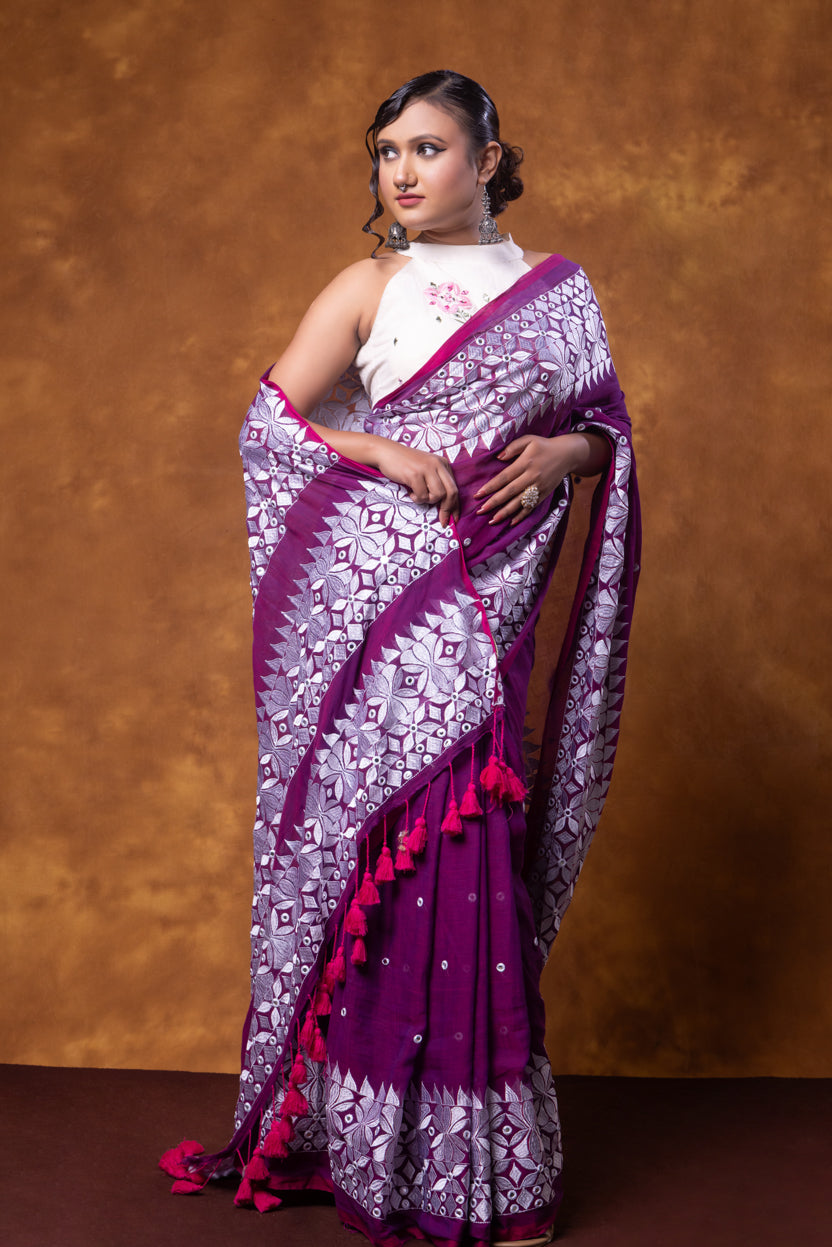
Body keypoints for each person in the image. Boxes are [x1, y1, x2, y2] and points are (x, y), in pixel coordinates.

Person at [160, 70, 640, 1247]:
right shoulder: (368, 286)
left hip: (495, 601)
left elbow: (609, 428)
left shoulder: (556, 292)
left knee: (470, 854)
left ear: (488, 157)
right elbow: (269, 428)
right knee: (399, 857)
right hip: (384, 623)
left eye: (428, 148)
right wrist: (373, 448)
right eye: (387, 153)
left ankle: (480, 1169)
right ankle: (378, 1156)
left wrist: (567, 451)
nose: (404, 172)